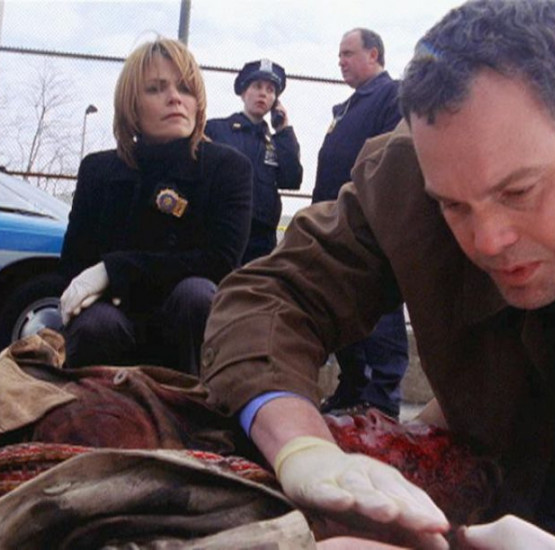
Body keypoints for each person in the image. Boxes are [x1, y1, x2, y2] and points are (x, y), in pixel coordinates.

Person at [202, 1, 555, 549]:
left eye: (518, 191)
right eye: (452, 205)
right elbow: (273, 294)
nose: (487, 241)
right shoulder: (412, 173)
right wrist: (302, 446)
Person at [59, 38, 252, 375]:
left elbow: (219, 262)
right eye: (155, 88)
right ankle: (93, 404)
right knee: (95, 323)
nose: (175, 98)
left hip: (186, 328)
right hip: (116, 320)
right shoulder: (98, 170)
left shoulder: (227, 168)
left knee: (197, 295)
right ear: (131, 105)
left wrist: (114, 271)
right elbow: (76, 262)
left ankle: (198, 403)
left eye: (185, 89)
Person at [313, 27, 409, 419]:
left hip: (369, 222)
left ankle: (381, 399)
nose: (341, 61)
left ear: (374, 54)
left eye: (348, 53)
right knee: (338, 305)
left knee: (379, 307)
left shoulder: (392, 95)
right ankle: (353, 385)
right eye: (339, 54)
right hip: (334, 221)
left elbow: (391, 157)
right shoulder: (349, 106)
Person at [206, 59, 303, 264]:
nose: (263, 94)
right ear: (243, 93)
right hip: (221, 231)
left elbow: (291, 179)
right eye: (257, 86)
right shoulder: (216, 130)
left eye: (270, 90)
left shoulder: (277, 141)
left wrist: (283, 130)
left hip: (261, 240)